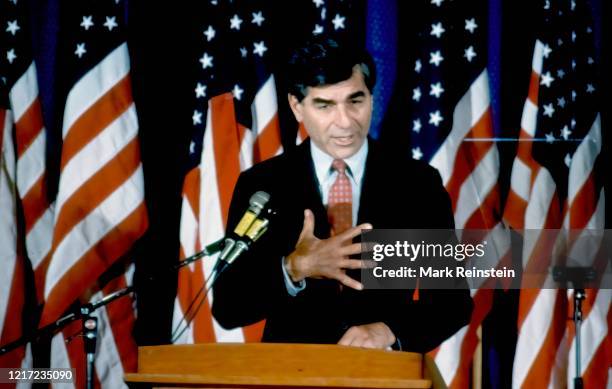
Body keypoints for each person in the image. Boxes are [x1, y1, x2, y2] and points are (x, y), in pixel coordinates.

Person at [212, 38, 472, 352]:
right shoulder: (264, 184)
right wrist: (294, 267)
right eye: (325, 105)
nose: (345, 121)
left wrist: (389, 330)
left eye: (355, 101)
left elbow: (452, 304)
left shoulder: (417, 184)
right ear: (297, 106)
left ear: (371, 99)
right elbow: (228, 306)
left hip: (382, 379)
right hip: (290, 379)